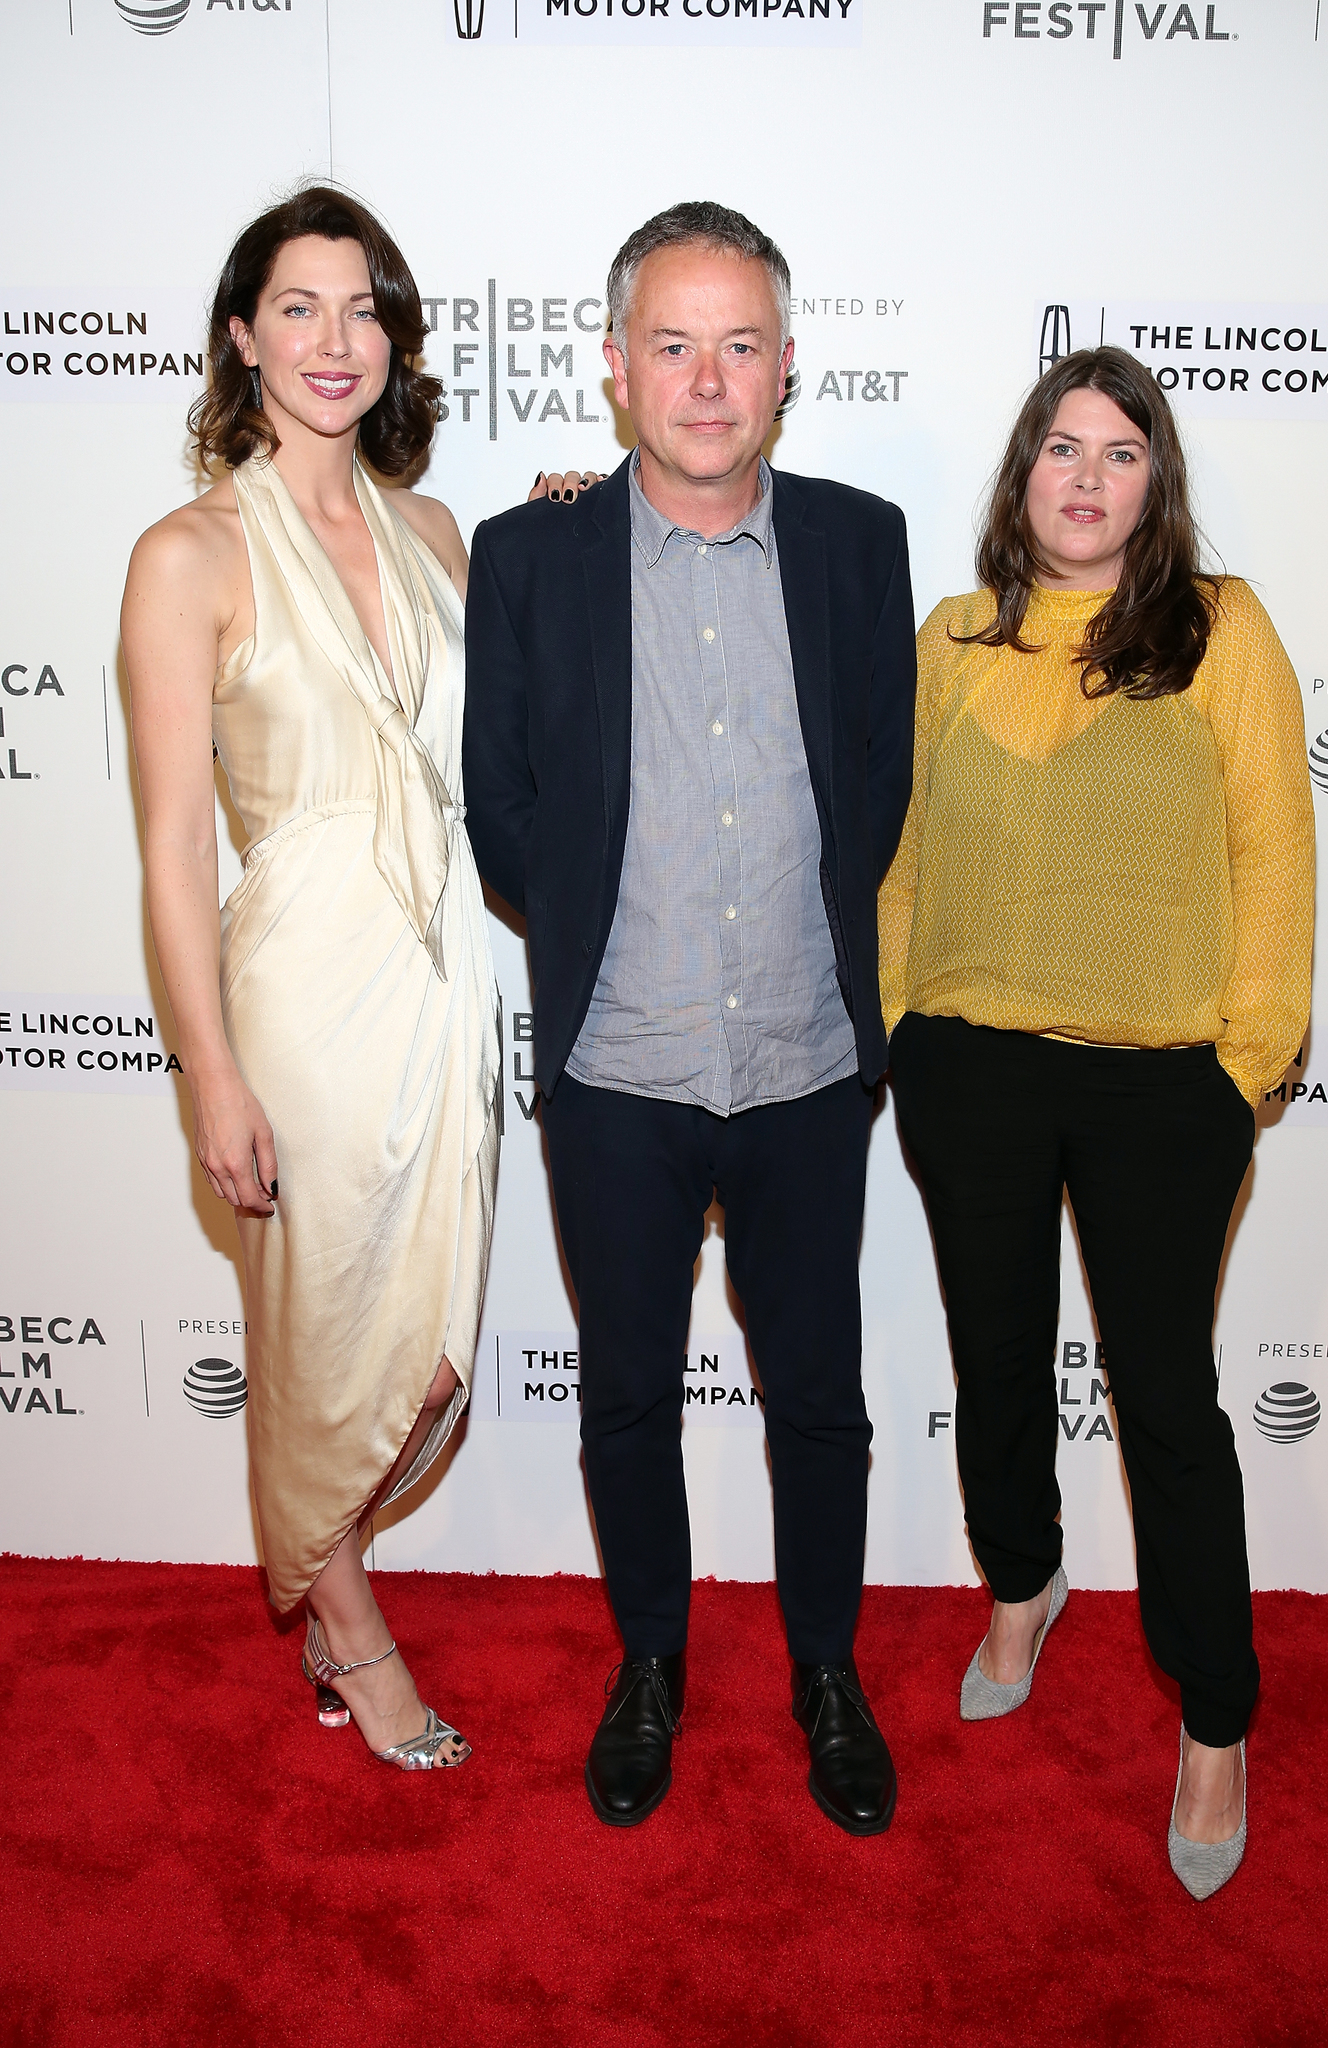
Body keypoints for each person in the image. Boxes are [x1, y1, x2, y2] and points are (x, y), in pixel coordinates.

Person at [464, 201, 917, 1834]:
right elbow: (500, 806)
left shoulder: (864, 544)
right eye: (673, 345)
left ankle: (825, 1677)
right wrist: (606, 935)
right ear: (613, 366)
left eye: (740, 346)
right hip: (616, 1065)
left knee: (820, 1399)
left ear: (787, 366)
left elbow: (875, 787)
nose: (707, 381)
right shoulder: (529, 558)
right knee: (629, 1393)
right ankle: (647, 1666)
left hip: (804, 1059)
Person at [879, 346, 1314, 1896]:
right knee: (992, 1361)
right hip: (970, 1068)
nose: (1083, 477)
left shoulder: (1219, 629)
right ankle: (1022, 1582)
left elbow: (1270, 852)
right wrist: (899, 1029)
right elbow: (903, 859)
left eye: (1117, 452)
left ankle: (1215, 1718)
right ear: (1019, 476)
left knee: (1169, 1412)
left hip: (1159, 1087)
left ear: (1155, 481)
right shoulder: (946, 641)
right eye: (1058, 448)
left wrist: (1242, 1065)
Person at [122, 186, 502, 1770]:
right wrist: (210, 1066)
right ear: (241, 334)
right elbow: (164, 851)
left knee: (421, 1355)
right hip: (294, 989)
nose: (333, 341)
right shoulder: (188, 552)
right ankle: (347, 1632)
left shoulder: (435, 532)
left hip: (441, 977)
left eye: (362, 309)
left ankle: (330, 1585)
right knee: (313, 1331)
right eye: (298, 307)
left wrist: (564, 527)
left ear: (394, 336)